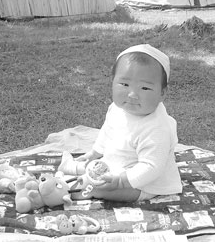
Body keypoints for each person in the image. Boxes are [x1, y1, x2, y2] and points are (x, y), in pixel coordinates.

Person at [58, 44, 182, 202]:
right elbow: (107, 131)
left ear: (161, 93)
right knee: (96, 169)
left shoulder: (157, 128)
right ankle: (77, 168)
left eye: (144, 88)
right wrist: (95, 152)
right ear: (113, 81)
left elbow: (151, 167)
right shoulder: (117, 109)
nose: (132, 95)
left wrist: (122, 181)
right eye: (124, 84)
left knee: (108, 187)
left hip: (145, 182)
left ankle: (94, 192)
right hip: (118, 164)